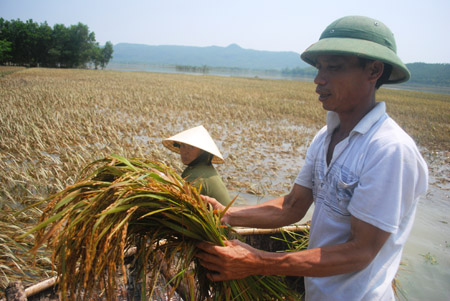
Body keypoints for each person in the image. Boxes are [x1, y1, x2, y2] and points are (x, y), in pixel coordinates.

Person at [196, 15, 428, 300]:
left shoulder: (389, 149)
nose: (319, 79)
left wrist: (259, 262)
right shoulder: (326, 135)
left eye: (334, 68)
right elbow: (293, 206)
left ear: (374, 71)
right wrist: (227, 213)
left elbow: (360, 251)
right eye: (319, 68)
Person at [163, 125, 231, 206]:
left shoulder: (197, 177)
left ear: (202, 151)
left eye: (191, 147)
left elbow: (180, 204)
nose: (185, 151)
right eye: (183, 146)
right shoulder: (204, 167)